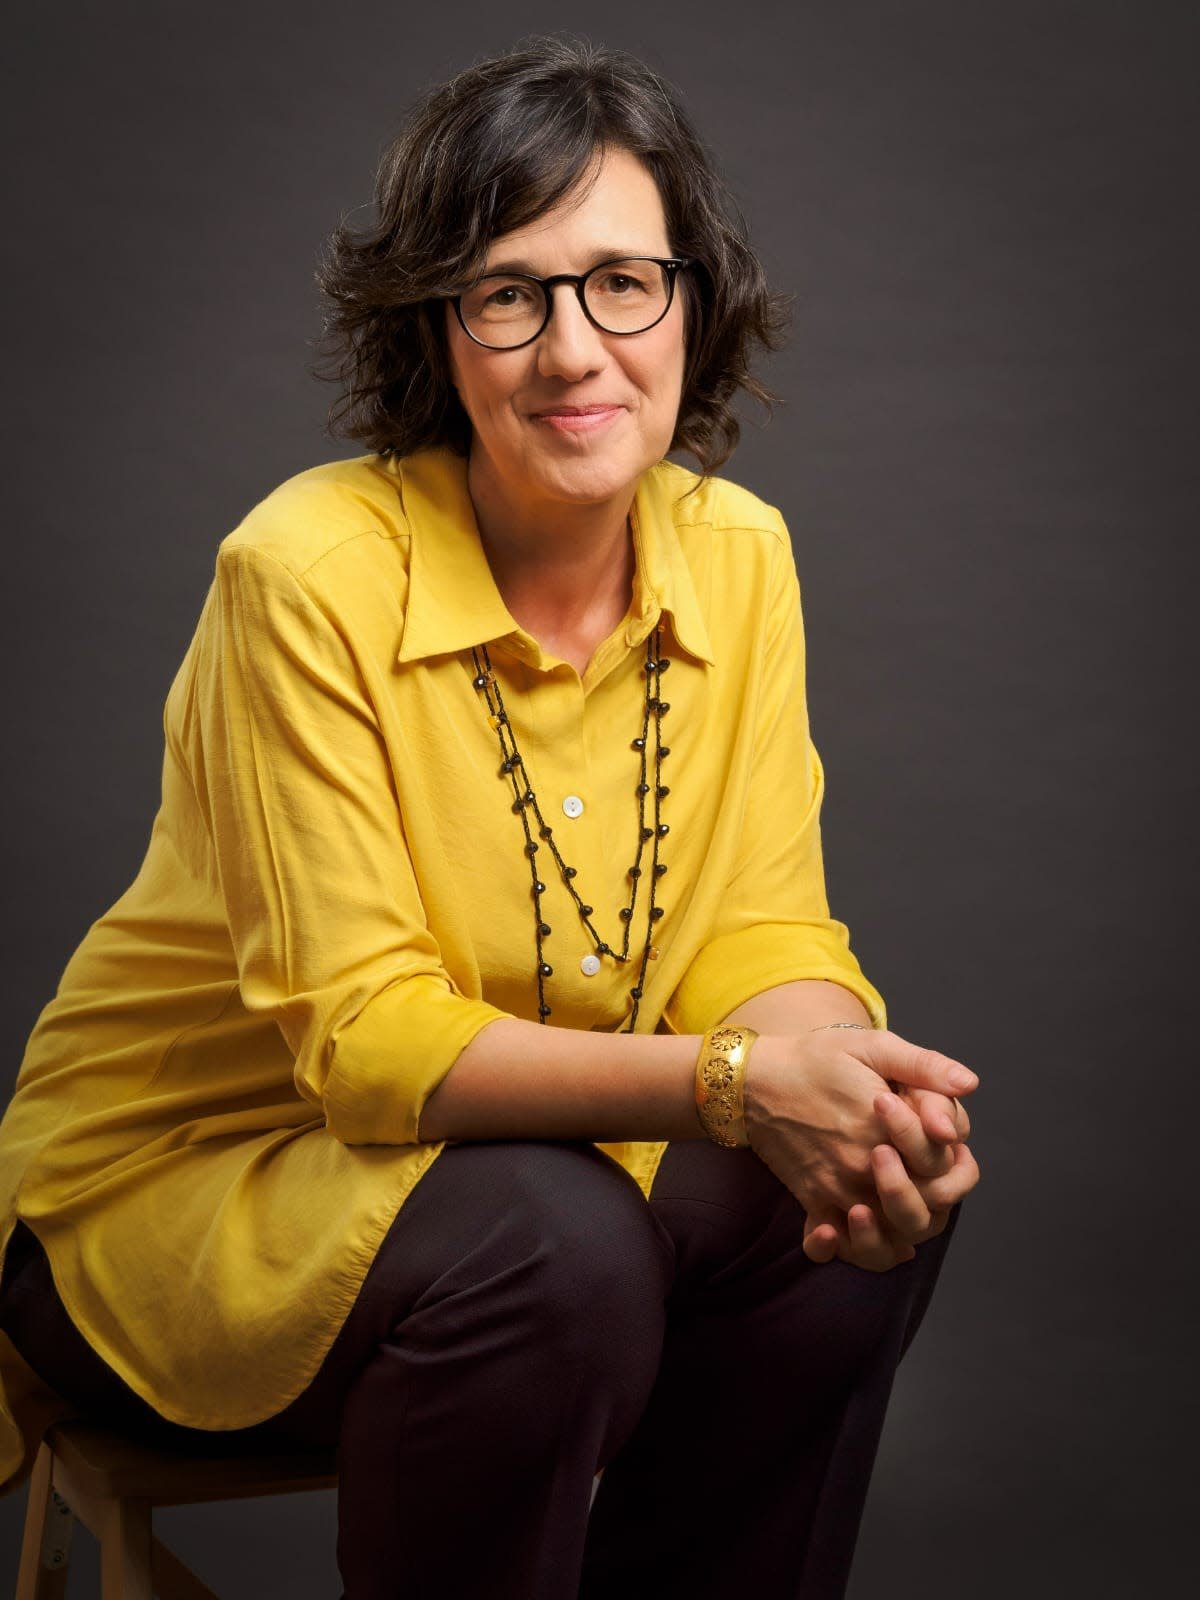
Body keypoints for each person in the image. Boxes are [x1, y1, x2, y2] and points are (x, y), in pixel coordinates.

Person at [0, 36, 981, 1600]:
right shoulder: (304, 575)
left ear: (694, 301)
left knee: (844, 1184)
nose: (575, 351)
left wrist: (843, 1088)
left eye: (623, 284)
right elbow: (369, 1042)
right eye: (510, 294)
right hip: (177, 1209)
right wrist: (740, 1082)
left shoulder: (741, 555)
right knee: (558, 1239)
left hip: (521, 1198)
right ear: (438, 333)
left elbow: (759, 928)